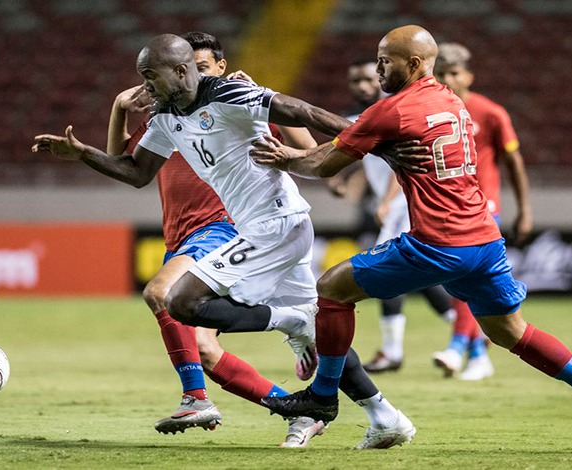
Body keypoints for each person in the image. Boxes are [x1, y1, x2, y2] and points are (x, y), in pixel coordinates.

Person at [253, 25, 572, 454]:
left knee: (332, 288)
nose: (378, 69)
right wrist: (379, 150)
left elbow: (323, 166)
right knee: (511, 332)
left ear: (413, 64)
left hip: (438, 242)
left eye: (385, 60)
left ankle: (322, 397)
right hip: (484, 242)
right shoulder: (451, 101)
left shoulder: (391, 110)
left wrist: (286, 158)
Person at [33, 33, 417, 449]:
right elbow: (136, 172)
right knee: (320, 340)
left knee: (183, 302)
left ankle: (290, 322)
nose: (145, 88)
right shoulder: (164, 116)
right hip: (271, 230)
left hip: (275, 226)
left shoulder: (232, 92)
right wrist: (83, 153)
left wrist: (378, 142)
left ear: (182, 71)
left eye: (150, 77)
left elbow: (303, 111)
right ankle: (386, 417)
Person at [107, 31, 323, 446]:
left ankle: (195, 397)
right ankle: (303, 412)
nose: (193, 80)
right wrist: (119, 108)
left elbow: (306, 143)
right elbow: (125, 165)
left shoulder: (235, 103)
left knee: (160, 292)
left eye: (202, 69)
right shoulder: (168, 115)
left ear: (217, 70)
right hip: (181, 235)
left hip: (221, 228)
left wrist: (262, 96)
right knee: (205, 351)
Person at [334, 59, 456, 373]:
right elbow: (362, 153)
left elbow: (396, 159)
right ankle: (465, 332)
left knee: (388, 272)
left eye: (366, 80)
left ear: (378, 79)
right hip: (398, 204)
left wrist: (387, 201)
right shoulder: (358, 117)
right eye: (354, 81)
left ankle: (392, 352)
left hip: (402, 201)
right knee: (422, 276)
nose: (361, 87)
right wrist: (344, 179)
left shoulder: (393, 111)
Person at [430, 42, 533, 381]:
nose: (448, 79)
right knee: (465, 282)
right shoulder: (432, 111)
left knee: (464, 277)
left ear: (469, 76)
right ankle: (477, 354)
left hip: (484, 207)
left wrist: (525, 209)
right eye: (441, 73)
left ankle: (458, 347)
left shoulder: (491, 113)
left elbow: (514, 161)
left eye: (454, 73)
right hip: (447, 208)